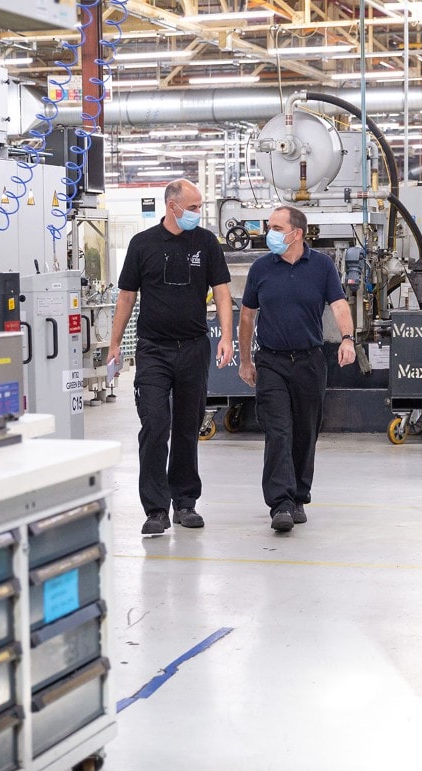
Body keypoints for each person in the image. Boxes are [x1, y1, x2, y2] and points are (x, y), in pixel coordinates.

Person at [107, 179, 234, 536]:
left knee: (187, 426)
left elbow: (221, 293)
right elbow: (126, 297)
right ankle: (155, 509)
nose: (198, 213)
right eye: (193, 207)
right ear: (172, 206)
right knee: (155, 424)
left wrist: (225, 336)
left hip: (193, 347)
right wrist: (114, 344)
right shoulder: (142, 244)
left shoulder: (206, 243)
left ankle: (185, 502)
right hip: (153, 351)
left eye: (199, 207)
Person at [237, 205, 355, 533]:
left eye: (276, 227)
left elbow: (339, 305)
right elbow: (247, 315)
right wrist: (246, 360)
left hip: (309, 361)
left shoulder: (321, 266)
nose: (268, 233)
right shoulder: (261, 268)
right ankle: (280, 503)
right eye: (269, 226)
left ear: (296, 233)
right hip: (271, 360)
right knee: (278, 431)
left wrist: (347, 338)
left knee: (305, 430)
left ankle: (299, 495)